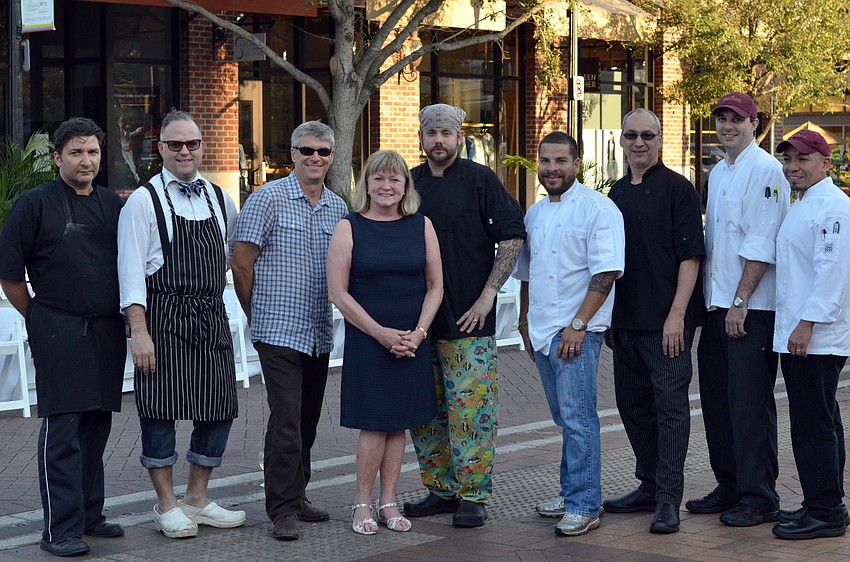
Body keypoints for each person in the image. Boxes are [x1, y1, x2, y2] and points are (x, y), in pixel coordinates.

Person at [0, 118, 126, 557]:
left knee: (96, 425)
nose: (86, 160)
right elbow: (10, 276)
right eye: (76, 152)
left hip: (108, 330)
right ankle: (59, 529)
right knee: (64, 430)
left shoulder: (114, 205)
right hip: (58, 330)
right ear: (57, 158)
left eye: (92, 152)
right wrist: (36, 316)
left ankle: (92, 515)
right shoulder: (33, 205)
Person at [118, 109, 244, 540]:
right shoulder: (143, 201)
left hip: (209, 314)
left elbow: (233, 256)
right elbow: (131, 272)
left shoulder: (218, 196)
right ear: (161, 149)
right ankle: (166, 504)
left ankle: (197, 498)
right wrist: (139, 331)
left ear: (202, 147)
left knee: (220, 406)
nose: (185, 151)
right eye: (175, 144)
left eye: (192, 143)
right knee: (159, 410)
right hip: (163, 316)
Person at [403, 103, 526, 528]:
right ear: (421, 137)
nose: (438, 140)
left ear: (459, 137)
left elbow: (512, 235)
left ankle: (473, 495)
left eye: (446, 132)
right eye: (431, 132)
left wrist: (489, 295)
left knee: (472, 413)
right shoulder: (408, 184)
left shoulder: (481, 181)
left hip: (468, 321)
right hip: (417, 325)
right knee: (426, 413)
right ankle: (440, 490)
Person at [232, 121, 347, 541]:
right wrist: (255, 313)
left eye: (323, 152)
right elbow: (241, 262)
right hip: (277, 329)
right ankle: (281, 509)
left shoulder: (338, 207)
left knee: (308, 419)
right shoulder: (268, 198)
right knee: (285, 420)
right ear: (293, 154)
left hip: (318, 329)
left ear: (332, 158)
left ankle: (297, 496)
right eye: (306, 150)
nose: (314, 157)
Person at [686, 92, 790, 526]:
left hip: (749, 309)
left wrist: (741, 302)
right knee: (717, 402)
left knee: (749, 405)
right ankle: (729, 484)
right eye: (721, 118)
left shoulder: (765, 170)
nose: (727, 125)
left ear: (755, 123)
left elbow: (762, 244)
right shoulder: (721, 170)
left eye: (737, 119)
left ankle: (759, 495)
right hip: (718, 306)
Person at [327, 150, 443, 535]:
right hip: (368, 340)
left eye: (395, 179)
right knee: (375, 424)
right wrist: (380, 333)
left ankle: (389, 501)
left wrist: (419, 334)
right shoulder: (349, 227)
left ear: (405, 186)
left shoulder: (421, 225)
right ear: (367, 185)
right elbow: (338, 293)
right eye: (379, 179)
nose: (387, 186)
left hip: (412, 339)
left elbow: (435, 286)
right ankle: (362, 504)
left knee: (400, 424)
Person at [516, 132, 625, 536]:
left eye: (560, 161)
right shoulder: (535, 213)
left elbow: (606, 271)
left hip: (576, 331)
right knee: (566, 418)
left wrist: (578, 326)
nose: (551, 169)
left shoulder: (599, 208)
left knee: (579, 419)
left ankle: (585, 503)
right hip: (544, 332)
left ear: (577, 163)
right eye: (545, 161)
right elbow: (527, 273)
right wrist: (525, 322)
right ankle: (572, 492)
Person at [602, 109, 705, 534]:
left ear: (660, 140)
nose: (639, 142)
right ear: (621, 141)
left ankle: (668, 498)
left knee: (670, 410)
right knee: (632, 406)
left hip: (667, 324)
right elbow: (607, 260)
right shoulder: (615, 192)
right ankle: (648, 484)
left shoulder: (678, 189)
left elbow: (691, 256)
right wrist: (605, 316)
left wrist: (677, 316)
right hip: (624, 321)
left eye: (647, 135)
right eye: (631, 135)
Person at [770, 130, 850, 540]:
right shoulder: (806, 204)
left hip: (814, 336)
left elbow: (831, 273)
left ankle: (825, 511)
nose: (792, 169)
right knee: (822, 420)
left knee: (811, 424)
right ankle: (824, 502)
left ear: (824, 163)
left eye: (801, 160)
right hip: (803, 333)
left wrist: (807, 324)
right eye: (786, 161)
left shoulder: (833, 208)